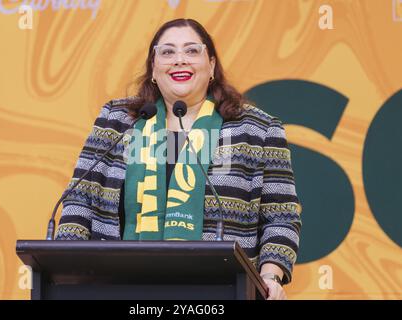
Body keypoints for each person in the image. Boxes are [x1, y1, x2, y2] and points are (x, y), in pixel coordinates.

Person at [54, 18, 302, 300]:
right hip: (118, 289)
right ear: (153, 68)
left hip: (220, 292)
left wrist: (270, 275)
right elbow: (80, 201)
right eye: (168, 52)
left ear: (211, 65)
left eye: (192, 51)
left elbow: (281, 217)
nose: (179, 60)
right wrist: (67, 271)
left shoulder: (256, 130)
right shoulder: (117, 121)